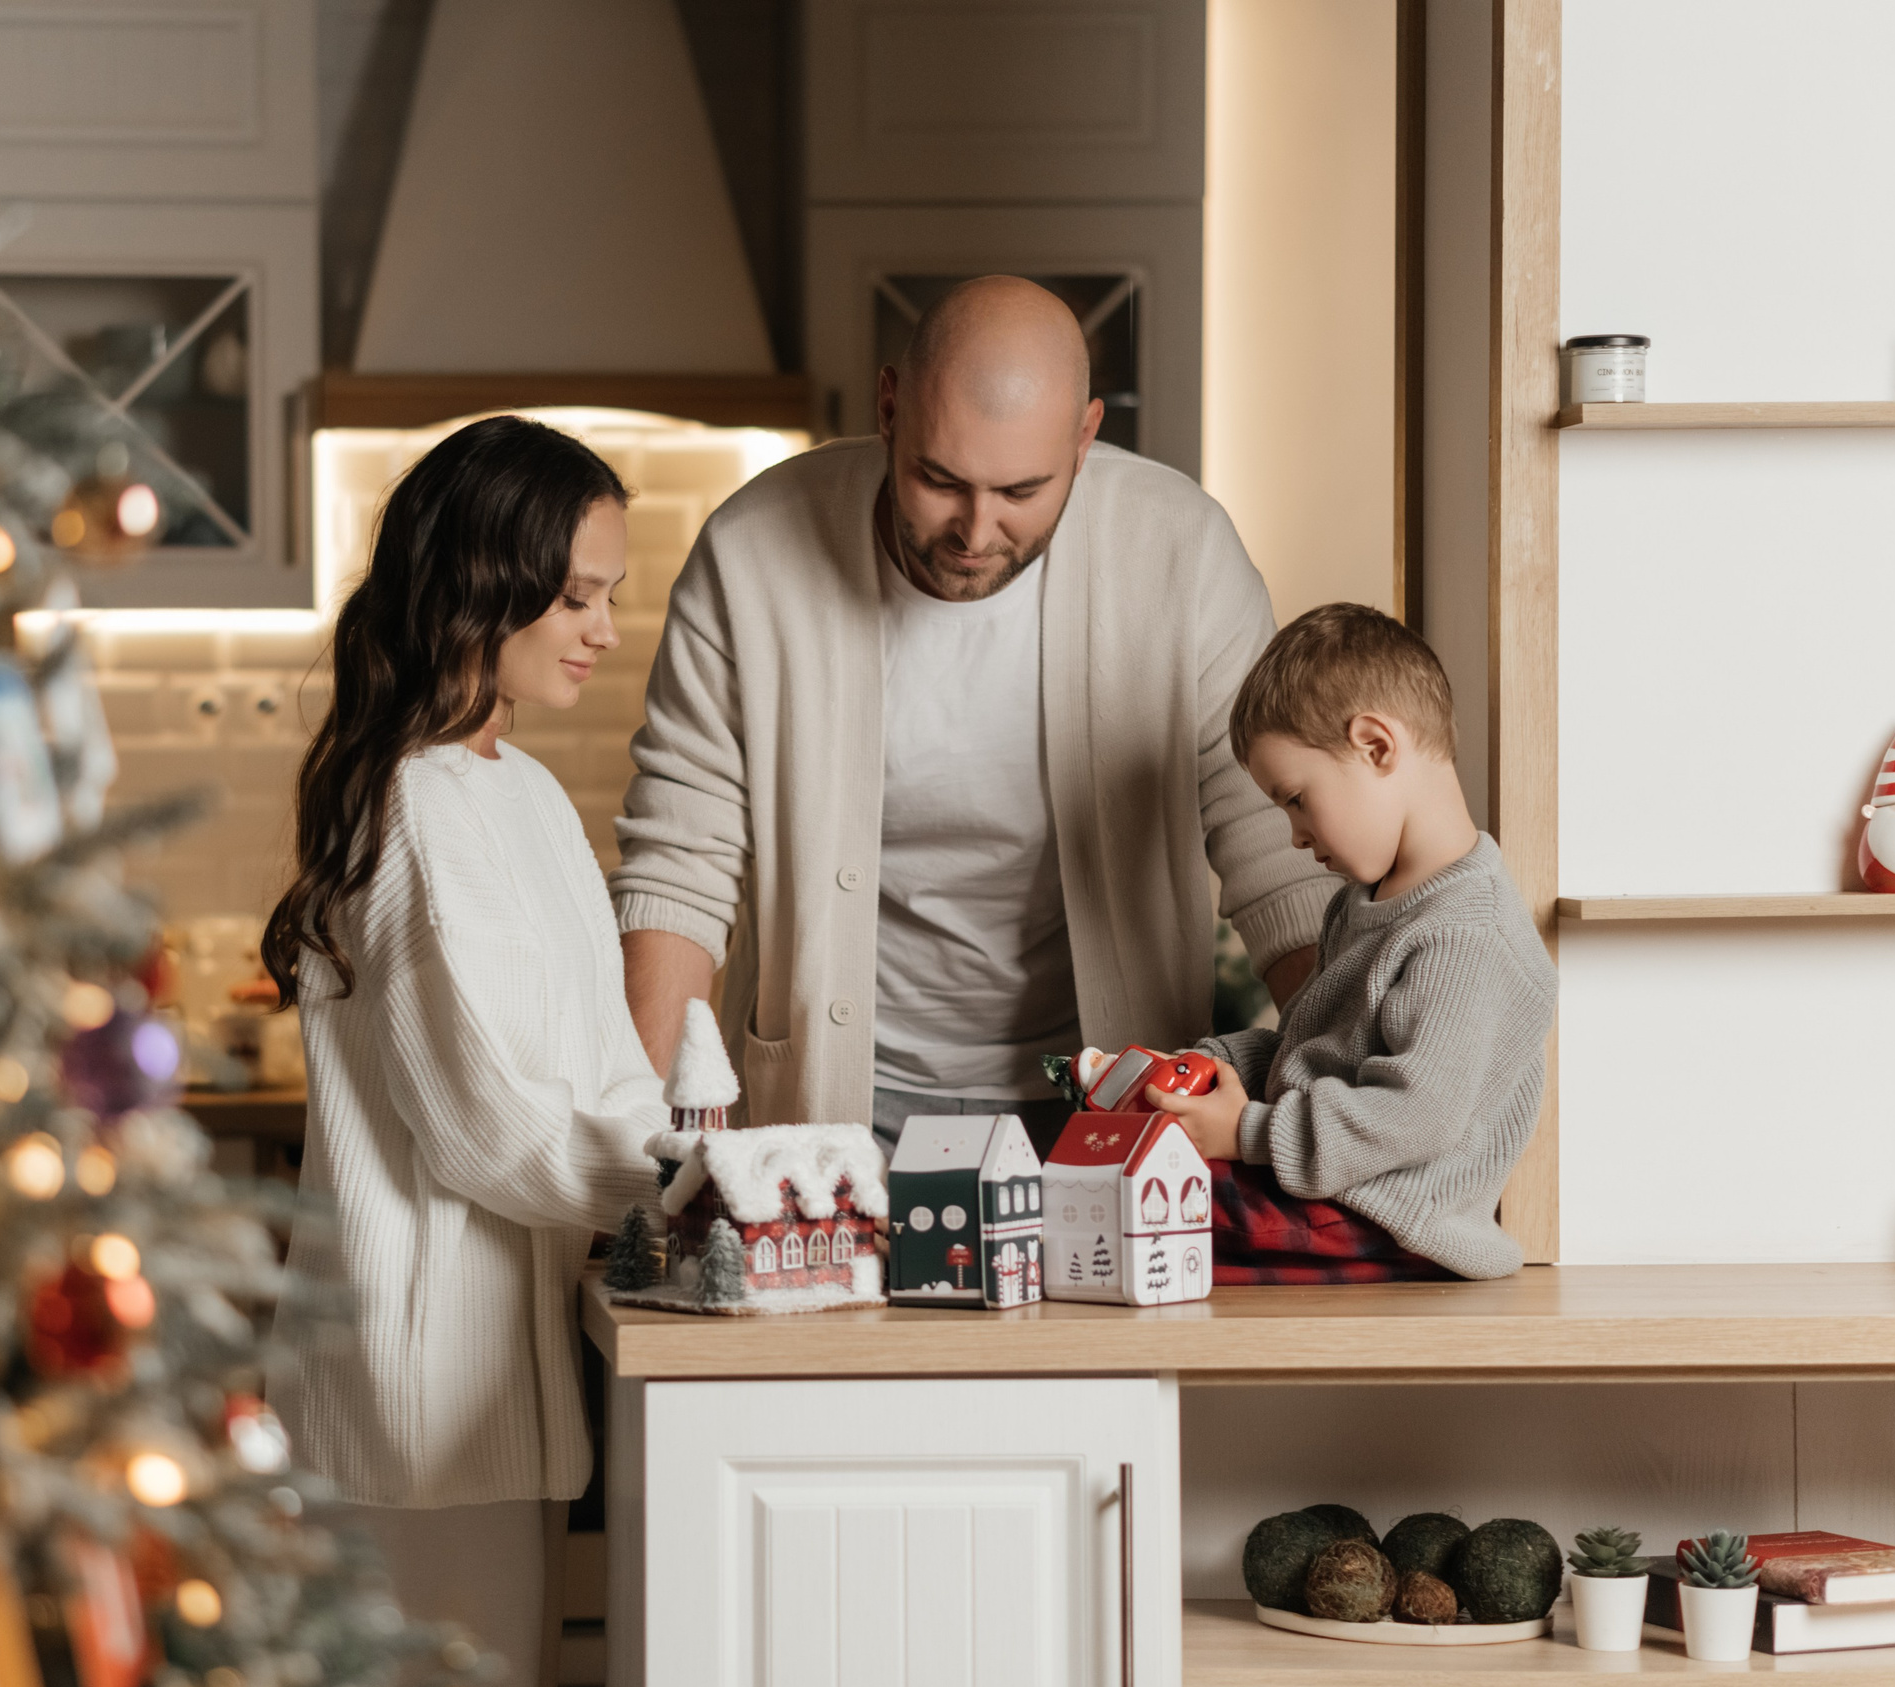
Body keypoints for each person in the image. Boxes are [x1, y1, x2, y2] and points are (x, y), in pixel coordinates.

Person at [611, 275, 1339, 1152]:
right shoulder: (751, 551)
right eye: (938, 479)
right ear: (888, 407)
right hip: (832, 1100)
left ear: (1085, 436)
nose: (975, 530)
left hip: (1108, 1102)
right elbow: (679, 873)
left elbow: (1282, 864)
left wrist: (1340, 1128)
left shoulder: (1181, 552)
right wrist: (639, 1167)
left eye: (1021, 491)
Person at [262, 416, 665, 1687]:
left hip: (497, 1378)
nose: (604, 628)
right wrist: (682, 1189)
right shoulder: (415, 801)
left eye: (611, 595)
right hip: (411, 1383)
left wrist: (679, 1161)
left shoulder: (528, 796)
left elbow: (606, 1071)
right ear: (482, 589)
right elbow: (486, 1125)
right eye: (577, 596)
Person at [1141, 603, 1558, 1281]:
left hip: (1384, 1212)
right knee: (1131, 1166)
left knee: (1138, 1203)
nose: (1296, 835)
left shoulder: (1467, 932)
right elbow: (1308, 1053)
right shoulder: (1360, 907)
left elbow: (1415, 1115)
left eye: (1298, 799)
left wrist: (1246, 1131)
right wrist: (1207, 1065)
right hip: (1326, 1186)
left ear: (1376, 746)